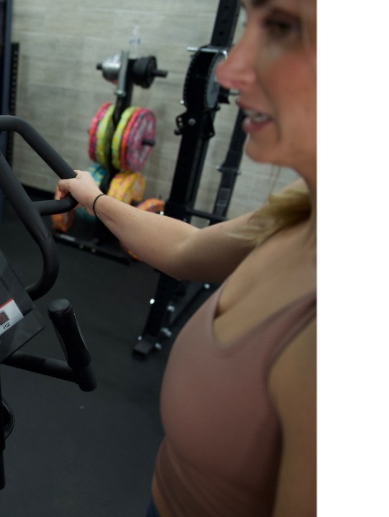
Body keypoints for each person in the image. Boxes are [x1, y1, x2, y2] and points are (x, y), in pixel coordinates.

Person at [56, 0, 316, 515]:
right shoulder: (298, 214)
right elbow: (186, 247)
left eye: (283, 28)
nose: (230, 69)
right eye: (248, 26)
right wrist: (96, 199)